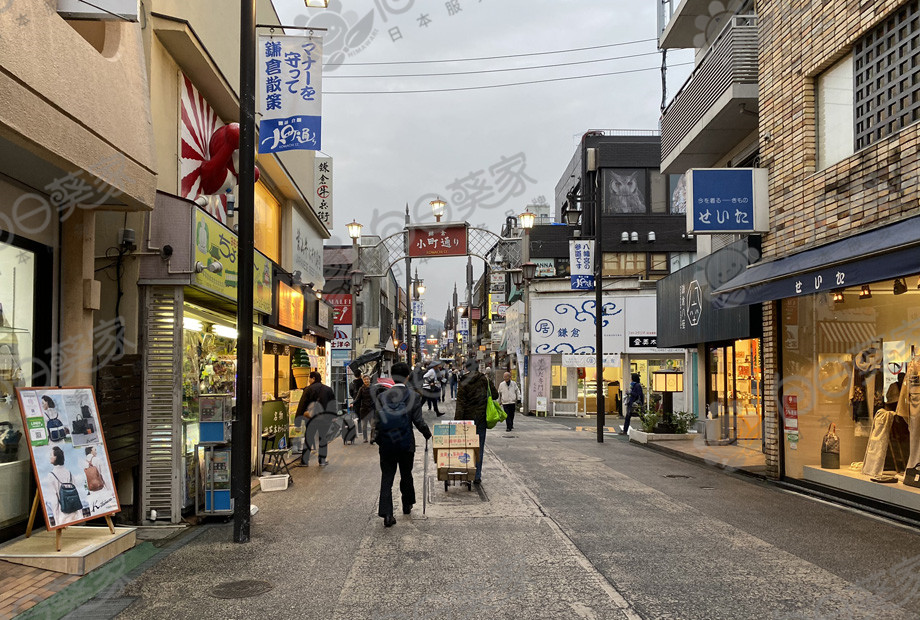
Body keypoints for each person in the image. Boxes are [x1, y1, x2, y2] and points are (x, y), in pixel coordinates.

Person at [373, 361, 431, 527]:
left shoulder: (382, 396)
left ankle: (387, 514)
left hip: (387, 444)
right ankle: (407, 504)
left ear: (392, 377)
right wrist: (427, 434)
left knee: (387, 478)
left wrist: (380, 441)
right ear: (407, 377)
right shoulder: (413, 396)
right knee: (406, 474)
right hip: (406, 443)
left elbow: (377, 422)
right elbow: (418, 421)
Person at [455, 359, 498, 484]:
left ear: (466, 368)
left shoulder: (463, 381)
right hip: (481, 418)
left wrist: (457, 421)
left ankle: (467, 475)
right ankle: (477, 475)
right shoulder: (485, 380)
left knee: (466, 447)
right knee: (479, 447)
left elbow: (460, 403)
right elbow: (495, 395)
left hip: (467, 420)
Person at [295, 371, 338, 466]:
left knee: (308, 438)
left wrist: (297, 421)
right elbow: (333, 403)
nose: (309, 381)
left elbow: (302, 405)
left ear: (313, 378)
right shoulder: (328, 389)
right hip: (324, 418)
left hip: (311, 419)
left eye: (309, 379)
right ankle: (322, 460)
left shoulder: (308, 389)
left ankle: (304, 461)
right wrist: (333, 416)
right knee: (323, 438)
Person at [47, 446, 83, 526]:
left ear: (56, 457)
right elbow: (77, 494)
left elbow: (54, 500)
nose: (50, 457)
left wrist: (56, 520)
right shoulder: (69, 473)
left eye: (51, 455)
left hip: (62, 515)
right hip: (75, 514)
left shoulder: (51, 475)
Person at [354, 375, 376, 443]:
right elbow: (357, 398)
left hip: (372, 409)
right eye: (365, 379)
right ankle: (365, 438)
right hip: (364, 409)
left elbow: (377, 396)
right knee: (364, 426)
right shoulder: (361, 389)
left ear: (370, 380)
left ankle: (372, 438)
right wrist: (353, 403)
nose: (366, 381)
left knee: (373, 426)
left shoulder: (374, 388)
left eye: (367, 379)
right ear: (363, 381)